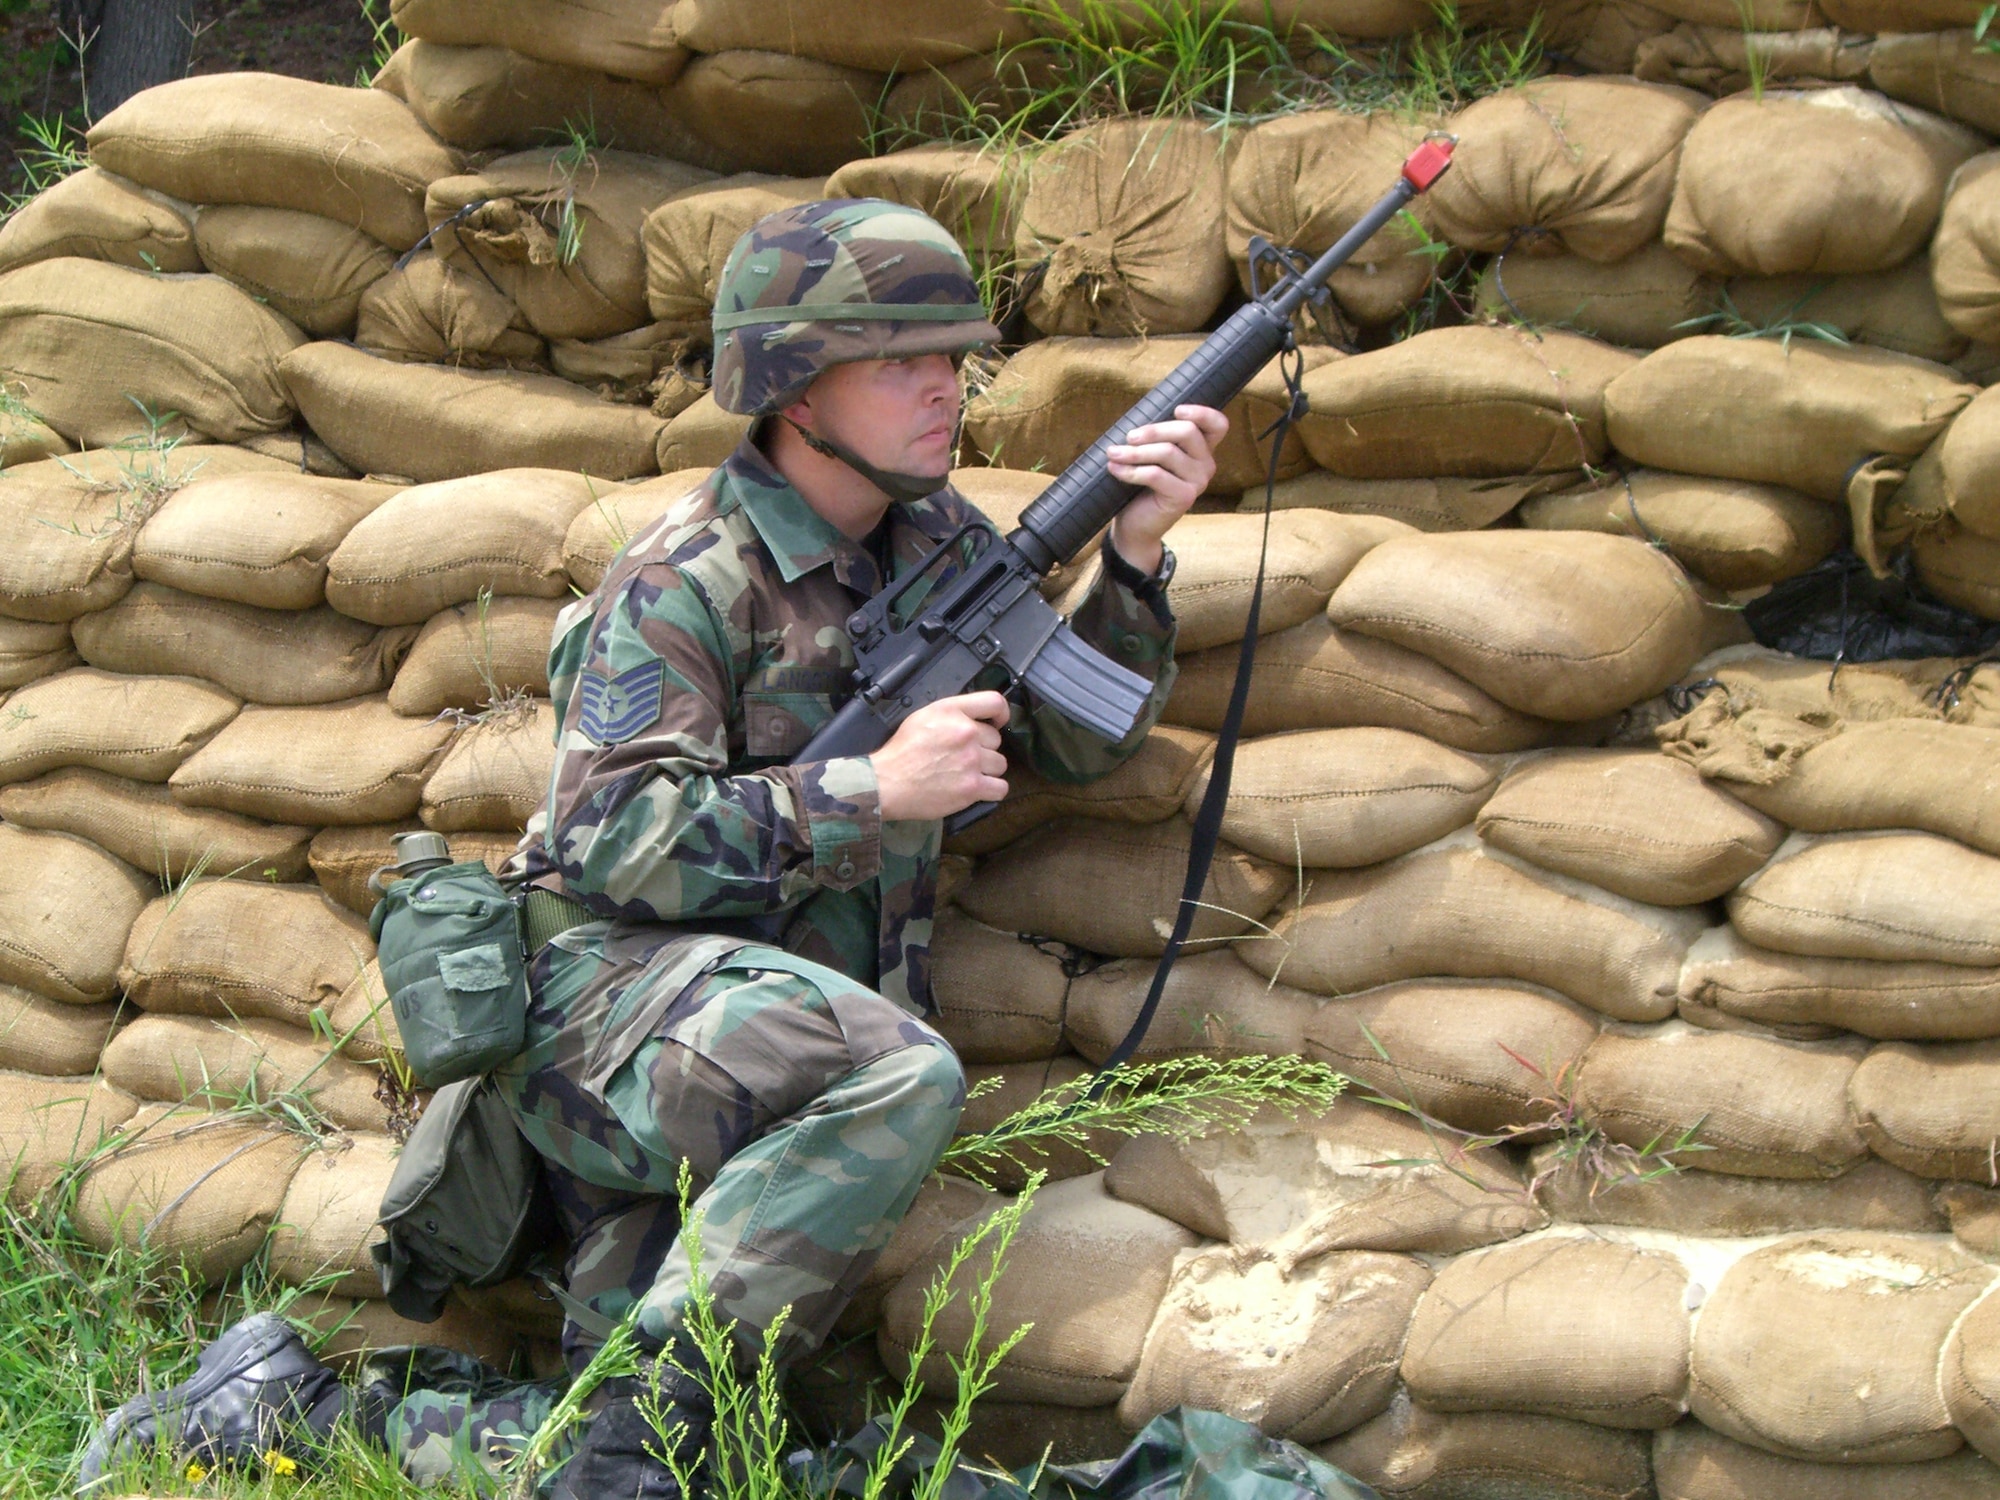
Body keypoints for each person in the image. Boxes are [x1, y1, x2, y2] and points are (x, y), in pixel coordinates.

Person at [78, 198, 1226, 1498]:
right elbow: (612, 838)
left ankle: (280, 1411)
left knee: (668, 1452)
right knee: (900, 1080)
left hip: (754, 1043)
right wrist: (866, 790)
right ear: (794, 384)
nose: (942, 388)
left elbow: (1078, 751)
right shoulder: (688, 573)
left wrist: (1131, 557)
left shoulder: (943, 544)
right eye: (900, 359)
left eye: (952, 358)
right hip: (608, 1017)